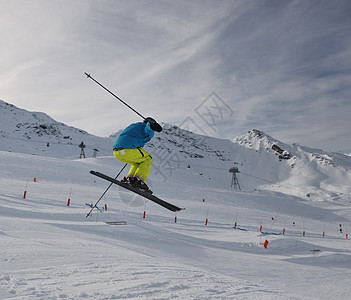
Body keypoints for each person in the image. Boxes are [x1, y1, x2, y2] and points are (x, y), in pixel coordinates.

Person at [113, 117, 162, 192]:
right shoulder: (144, 126)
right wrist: (152, 125)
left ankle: (131, 179)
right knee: (148, 159)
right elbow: (147, 128)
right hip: (127, 149)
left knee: (138, 162)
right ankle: (138, 181)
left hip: (117, 152)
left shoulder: (135, 126)